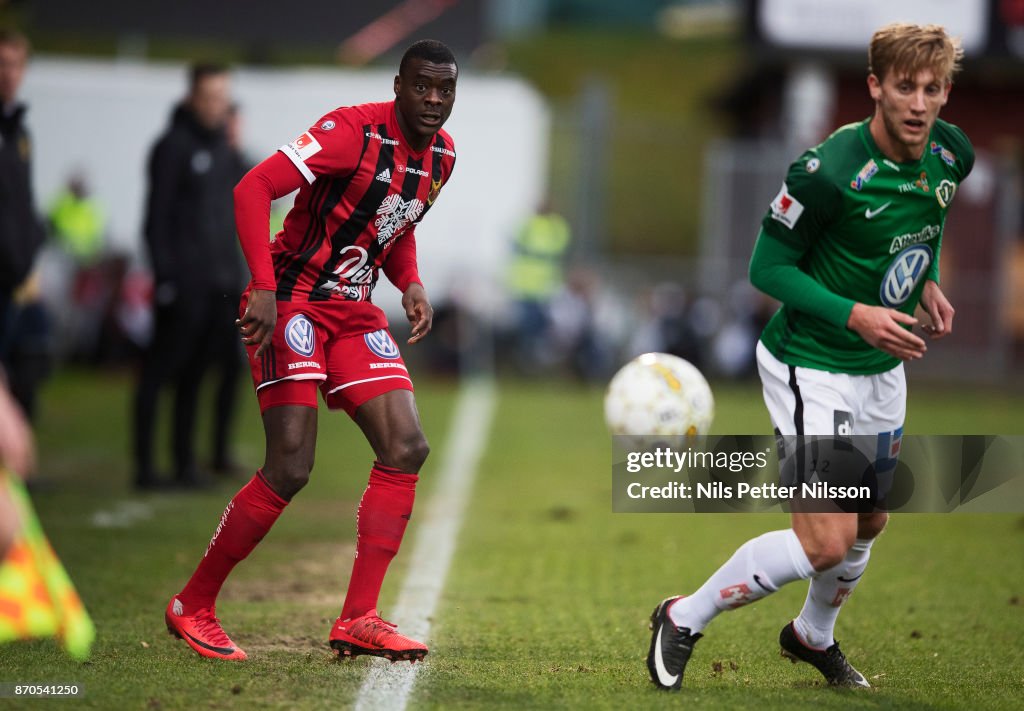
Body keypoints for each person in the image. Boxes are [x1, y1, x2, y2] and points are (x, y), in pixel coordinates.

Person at [648, 23, 973, 691]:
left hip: (882, 367)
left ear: (945, 93)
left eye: (932, 89)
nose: (918, 103)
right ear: (875, 86)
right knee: (824, 540)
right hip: (811, 364)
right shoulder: (826, 170)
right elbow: (766, 268)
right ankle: (683, 615)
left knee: (871, 519)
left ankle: (809, 636)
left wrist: (929, 278)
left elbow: (928, 218)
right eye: (904, 87)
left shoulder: (950, 153)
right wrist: (857, 314)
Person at [164, 39, 458, 663]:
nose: (434, 100)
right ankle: (194, 604)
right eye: (423, 86)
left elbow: (394, 223)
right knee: (291, 465)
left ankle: (360, 617)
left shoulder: (443, 156)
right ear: (400, 85)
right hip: (291, 300)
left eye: (446, 89)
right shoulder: (349, 131)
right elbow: (252, 189)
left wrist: (409, 282)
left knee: (407, 447)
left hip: (352, 311)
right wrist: (264, 288)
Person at [133, 63, 247, 489]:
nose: (218, 106)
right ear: (192, 98)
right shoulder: (173, 147)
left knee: (199, 376)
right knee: (160, 373)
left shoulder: (225, 150)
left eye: (223, 98)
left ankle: (185, 464)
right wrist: (166, 279)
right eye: (210, 97)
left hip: (221, 284)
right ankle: (144, 466)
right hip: (183, 285)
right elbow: (156, 219)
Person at [0, 29, 46, 360]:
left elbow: (22, 201)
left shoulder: (18, 131)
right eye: (2, 63)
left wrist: (28, 250)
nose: (9, 73)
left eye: (16, 64)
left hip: (11, 274)